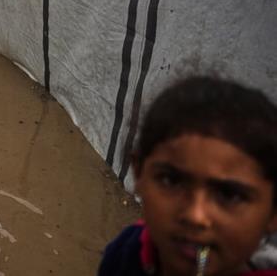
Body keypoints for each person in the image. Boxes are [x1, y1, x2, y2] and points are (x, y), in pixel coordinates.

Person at [98, 76, 277, 276]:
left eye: (229, 195)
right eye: (171, 180)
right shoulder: (127, 251)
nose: (195, 216)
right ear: (139, 174)